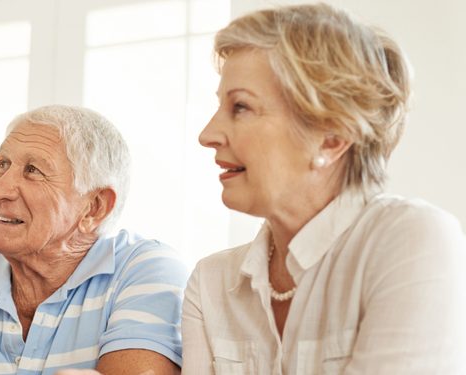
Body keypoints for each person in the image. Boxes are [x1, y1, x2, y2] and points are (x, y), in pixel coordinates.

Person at [183, 3, 466, 374]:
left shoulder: (413, 240)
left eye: (240, 107)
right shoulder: (210, 282)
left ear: (331, 137)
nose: (208, 134)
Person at [0, 105, 189, 374]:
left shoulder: (147, 271)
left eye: (33, 171)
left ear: (94, 207)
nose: (0, 190)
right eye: (2, 164)